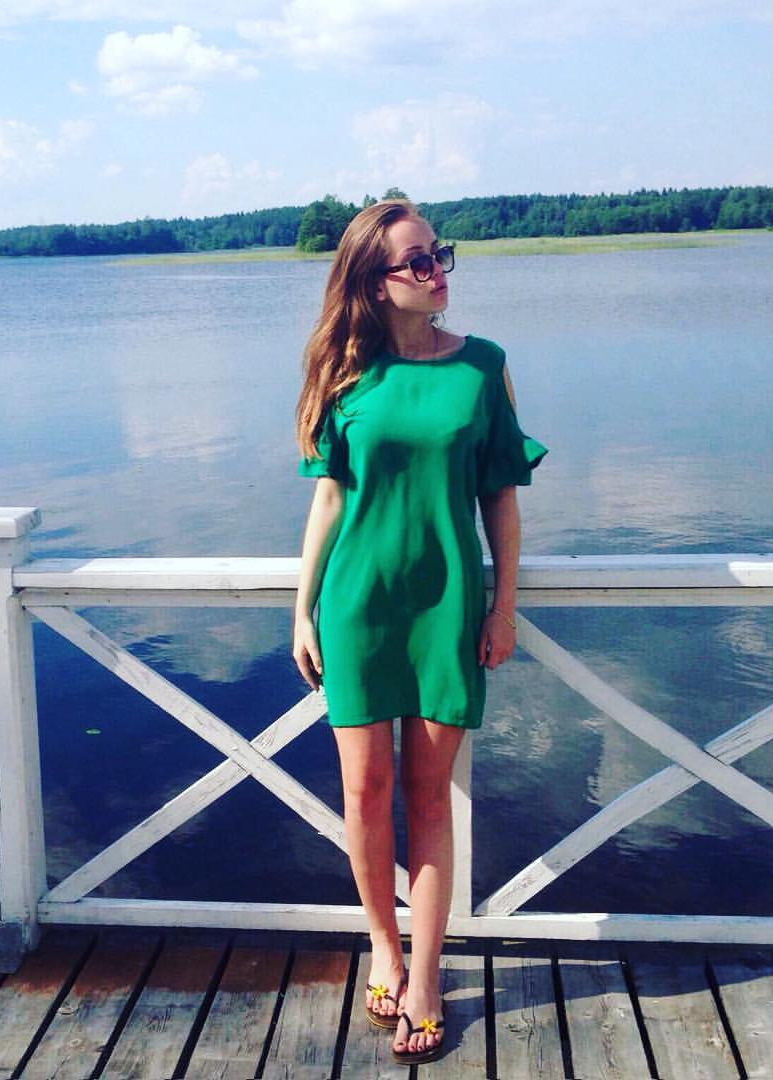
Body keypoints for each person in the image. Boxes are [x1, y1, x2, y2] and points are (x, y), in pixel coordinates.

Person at [292, 199, 546, 1065]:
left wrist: (502, 605)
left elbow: (500, 497)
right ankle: (384, 949)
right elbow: (330, 497)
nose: (439, 272)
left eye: (441, 254)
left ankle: (428, 976)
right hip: (357, 608)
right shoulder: (345, 374)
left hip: (446, 608)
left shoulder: (483, 366)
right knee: (364, 792)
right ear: (374, 282)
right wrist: (301, 606)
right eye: (418, 261)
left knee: (429, 797)